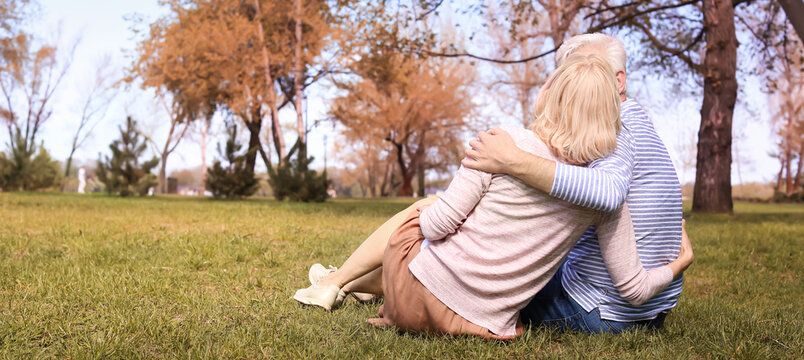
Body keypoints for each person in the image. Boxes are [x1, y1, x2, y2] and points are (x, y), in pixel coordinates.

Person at [293, 55, 694, 340]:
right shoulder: (605, 199)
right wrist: (679, 263)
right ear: (611, 116)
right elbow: (635, 289)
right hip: (482, 324)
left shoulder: (504, 143)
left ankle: (339, 282)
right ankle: (352, 285)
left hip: (417, 298)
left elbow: (436, 227)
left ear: (553, 98)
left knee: (423, 214)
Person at [463, 33, 686, 333]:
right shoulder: (636, 123)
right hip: (646, 309)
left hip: (598, 309)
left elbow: (609, 193)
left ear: (618, 81)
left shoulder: (615, 131)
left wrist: (512, 159)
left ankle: (407, 284)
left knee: (482, 267)